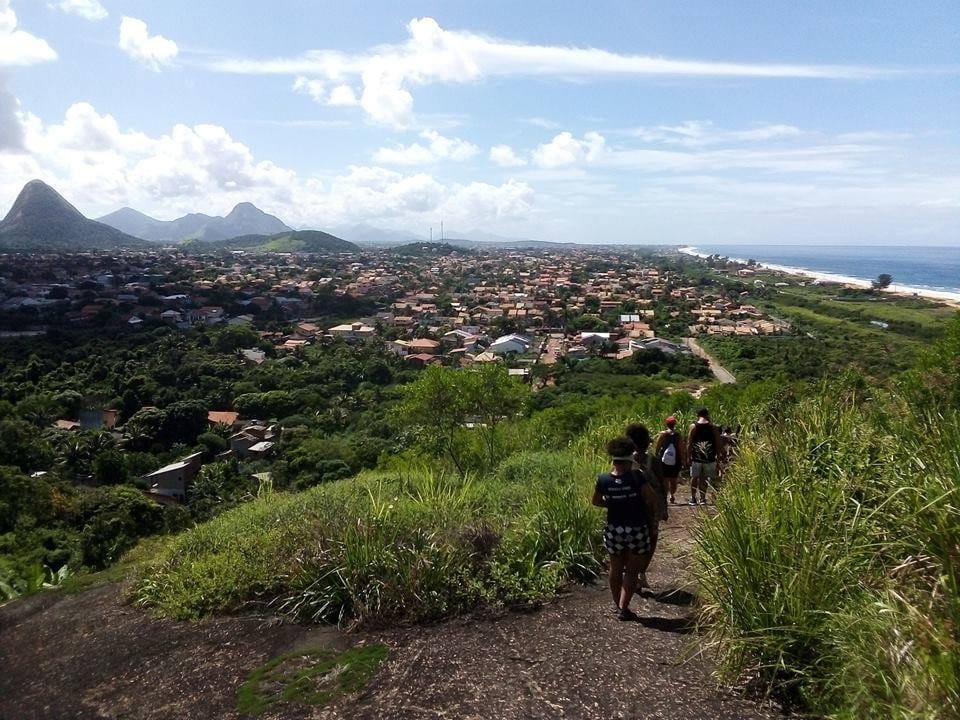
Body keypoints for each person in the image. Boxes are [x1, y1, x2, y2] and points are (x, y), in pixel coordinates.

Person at [592, 436, 659, 621]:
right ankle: (624, 607)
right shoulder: (637, 477)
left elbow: (596, 501)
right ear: (630, 460)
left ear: (613, 460)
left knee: (615, 567)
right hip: (636, 529)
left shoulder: (603, 479)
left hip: (614, 530)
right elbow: (651, 499)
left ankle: (616, 605)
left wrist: (615, 502)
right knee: (631, 570)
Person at [625, 423, 666, 591]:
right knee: (652, 537)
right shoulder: (653, 461)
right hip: (652, 506)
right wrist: (664, 507)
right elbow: (663, 485)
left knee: (630, 538)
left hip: (630, 505)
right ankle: (640, 572)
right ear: (647, 443)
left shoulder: (625, 461)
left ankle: (630, 571)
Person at [686, 408, 722, 505]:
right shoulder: (713, 427)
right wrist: (718, 457)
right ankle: (702, 498)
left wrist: (688, 457)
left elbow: (689, 443)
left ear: (698, 415)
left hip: (696, 457)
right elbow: (718, 443)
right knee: (704, 478)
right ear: (707, 415)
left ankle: (693, 498)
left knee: (694, 477)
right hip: (710, 457)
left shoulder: (693, 427)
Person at [653, 416, 684, 504]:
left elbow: (658, 447)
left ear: (666, 424)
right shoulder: (678, 435)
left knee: (665, 479)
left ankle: (665, 496)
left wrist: (656, 456)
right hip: (676, 460)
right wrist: (683, 460)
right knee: (673, 479)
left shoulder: (663, 434)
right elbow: (681, 449)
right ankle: (672, 495)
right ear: (674, 424)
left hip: (664, 460)